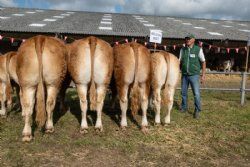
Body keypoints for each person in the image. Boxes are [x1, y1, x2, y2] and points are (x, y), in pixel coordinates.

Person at [179, 34, 206, 119]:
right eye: (186, 39)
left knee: (196, 93)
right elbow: (179, 61)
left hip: (194, 75)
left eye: (189, 39)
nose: (187, 40)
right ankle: (184, 107)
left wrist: (203, 75)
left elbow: (203, 62)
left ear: (193, 40)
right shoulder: (183, 50)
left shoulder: (198, 49)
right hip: (184, 75)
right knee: (183, 93)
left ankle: (197, 110)